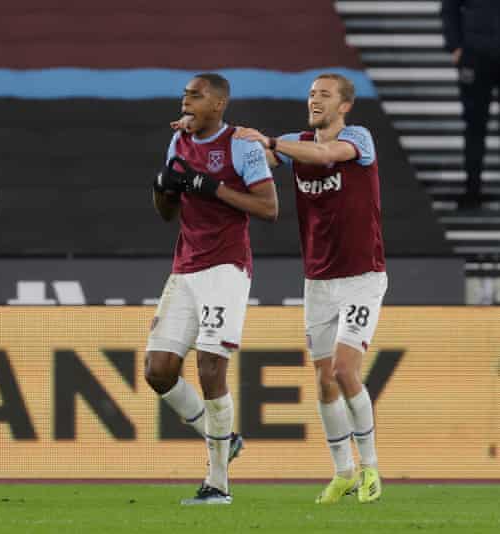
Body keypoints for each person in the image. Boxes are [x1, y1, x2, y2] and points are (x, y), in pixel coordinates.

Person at [234, 73, 387, 504]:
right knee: (323, 381)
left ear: (345, 105)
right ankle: (342, 472)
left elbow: (324, 155)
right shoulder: (292, 142)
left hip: (362, 276)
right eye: (311, 93)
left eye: (324, 94)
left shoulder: (359, 139)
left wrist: (273, 144)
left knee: (343, 369)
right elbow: (258, 162)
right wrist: (215, 143)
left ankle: (371, 468)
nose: (314, 99)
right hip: (318, 280)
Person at [146, 73, 278, 505]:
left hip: (225, 267)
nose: (186, 100)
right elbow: (165, 214)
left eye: (196, 95)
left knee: (209, 368)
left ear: (218, 104)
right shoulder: (179, 141)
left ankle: (217, 483)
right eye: (185, 94)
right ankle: (222, 436)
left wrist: (213, 188)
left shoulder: (240, 145)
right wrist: (163, 187)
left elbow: (268, 207)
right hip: (185, 267)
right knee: (159, 371)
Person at [441, 0, 500, 210]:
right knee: (475, 125)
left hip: (476, 51)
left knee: (474, 127)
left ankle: (472, 189)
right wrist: (455, 45)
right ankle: (472, 188)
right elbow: (450, 7)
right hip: (475, 56)